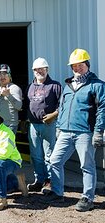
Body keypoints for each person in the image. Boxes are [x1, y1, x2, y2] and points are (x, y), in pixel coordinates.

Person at [41, 49, 105, 212]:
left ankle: (87, 198)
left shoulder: (97, 85)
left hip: (85, 132)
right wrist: (58, 127)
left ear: (87, 65)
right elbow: (62, 107)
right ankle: (57, 192)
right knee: (55, 161)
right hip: (65, 131)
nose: (77, 68)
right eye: (74, 66)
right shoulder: (68, 85)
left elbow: (102, 109)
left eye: (80, 65)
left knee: (87, 165)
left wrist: (98, 131)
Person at [24, 57, 62, 193]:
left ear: (47, 69)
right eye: (36, 69)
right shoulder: (29, 87)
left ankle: (50, 181)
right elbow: (26, 105)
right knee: (36, 156)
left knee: (49, 155)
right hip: (33, 126)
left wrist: (54, 114)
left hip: (48, 125)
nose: (39, 71)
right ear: (33, 71)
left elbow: (62, 105)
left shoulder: (55, 86)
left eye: (42, 69)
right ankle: (39, 180)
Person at [0, 64, 22, 134]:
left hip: (9, 126)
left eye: (5, 74)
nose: (2, 76)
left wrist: (8, 95)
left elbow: (19, 106)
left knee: (7, 145)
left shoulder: (14, 88)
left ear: (9, 76)